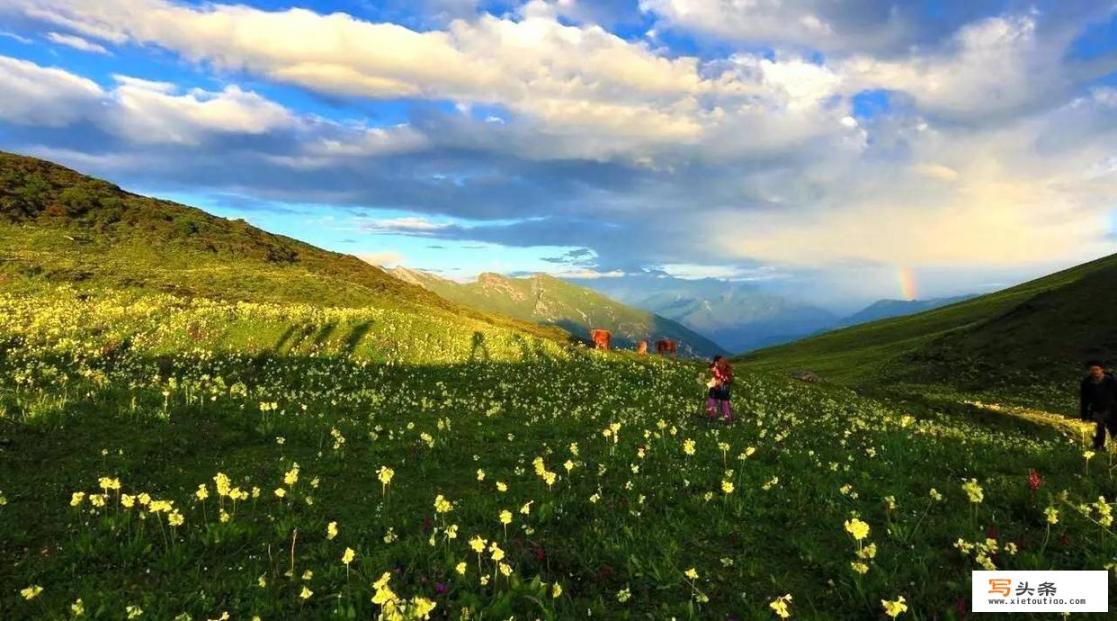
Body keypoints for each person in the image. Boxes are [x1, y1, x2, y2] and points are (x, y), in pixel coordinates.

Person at [1080, 360, 1117, 450]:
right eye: (1092, 370)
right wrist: (1084, 417)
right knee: (1099, 427)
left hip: (1112, 408)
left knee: (1113, 427)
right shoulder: (1087, 383)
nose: (1094, 372)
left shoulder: (1112, 381)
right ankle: (1099, 446)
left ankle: (1111, 446)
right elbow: (1084, 400)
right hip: (1097, 409)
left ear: (1102, 370)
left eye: (1097, 369)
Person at [706, 355, 734, 423]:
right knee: (712, 400)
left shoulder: (726, 367)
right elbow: (710, 374)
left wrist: (724, 380)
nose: (722, 363)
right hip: (716, 386)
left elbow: (730, 378)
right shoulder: (714, 368)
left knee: (723, 402)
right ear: (716, 362)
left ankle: (726, 418)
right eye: (720, 362)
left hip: (723, 387)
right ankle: (712, 415)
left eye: (723, 362)